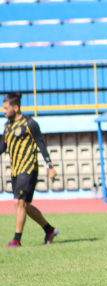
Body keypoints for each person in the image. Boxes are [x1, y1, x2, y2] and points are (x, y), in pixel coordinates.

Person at [1, 93, 59, 247]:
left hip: (28, 169)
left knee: (18, 202)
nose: (3, 111)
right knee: (24, 206)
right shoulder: (7, 126)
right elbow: (2, 147)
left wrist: (50, 166)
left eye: (6, 108)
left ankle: (16, 240)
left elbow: (41, 144)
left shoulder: (30, 124)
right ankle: (49, 229)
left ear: (16, 107)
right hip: (15, 171)